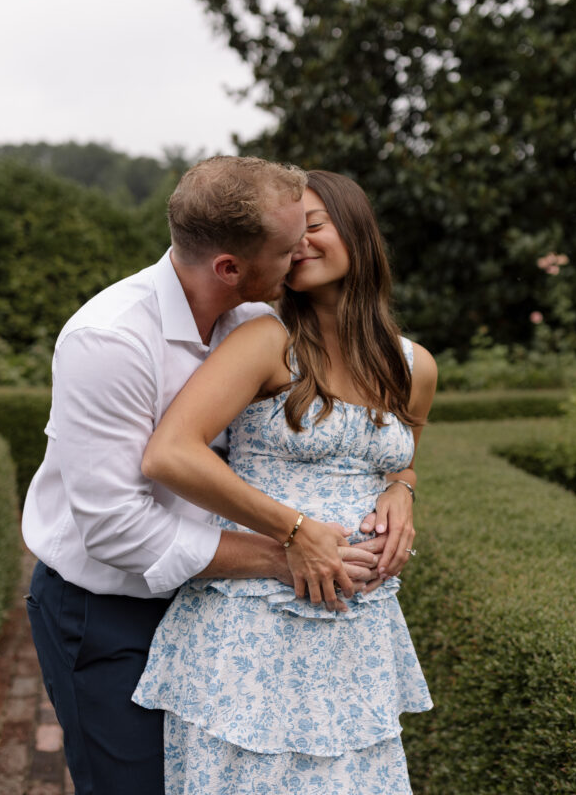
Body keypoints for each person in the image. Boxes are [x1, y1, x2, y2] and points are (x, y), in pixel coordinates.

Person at [21, 156, 403, 795]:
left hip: (211, 608)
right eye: (288, 249)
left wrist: (400, 484)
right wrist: (287, 547)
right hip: (106, 610)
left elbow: (366, 435)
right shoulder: (109, 339)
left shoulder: (253, 320)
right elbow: (116, 529)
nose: (299, 257)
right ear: (230, 267)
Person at [133, 170, 437, 795]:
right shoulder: (265, 340)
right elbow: (171, 453)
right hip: (253, 627)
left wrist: (402, 489)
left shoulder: (413, 366)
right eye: (291, 232)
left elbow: (398, 458)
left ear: (357, 231)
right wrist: (294, 530)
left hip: (357, 633)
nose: (300, 242)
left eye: (315, 225)